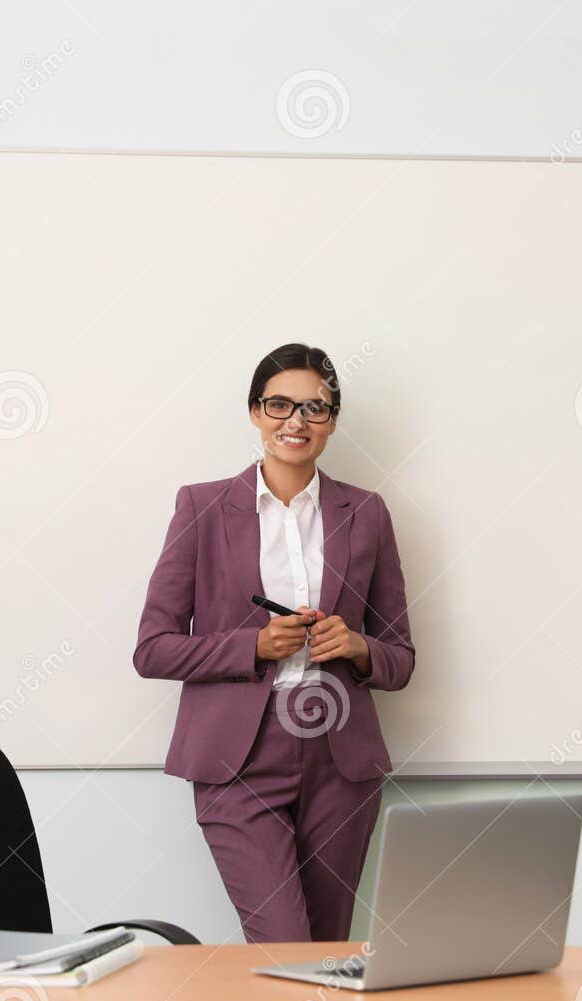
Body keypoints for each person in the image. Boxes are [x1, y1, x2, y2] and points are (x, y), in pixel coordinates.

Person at [133, 342, 415, 942]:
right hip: (239, 759)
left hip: (340, 760)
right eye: (280, 404)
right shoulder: (202, 507)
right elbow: (152, 649)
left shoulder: (367, 513)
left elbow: (400, 660)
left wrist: (357, 645)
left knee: (326, 952)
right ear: (256, 412)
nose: (297, 421)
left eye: (315, 408)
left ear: (332, 420)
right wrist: (253, 647)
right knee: (284, 944)